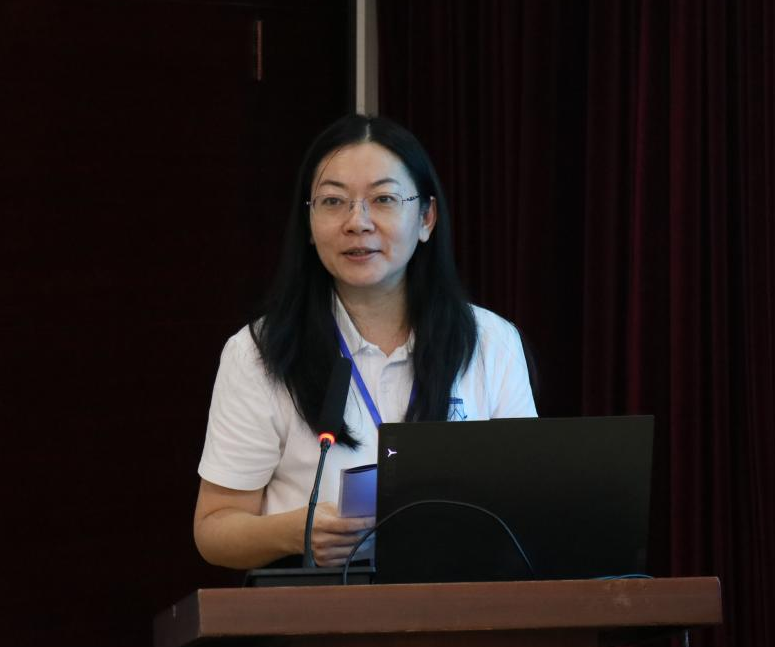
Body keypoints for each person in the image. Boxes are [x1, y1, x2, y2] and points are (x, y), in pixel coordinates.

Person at [193, 114, 537, 569]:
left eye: (384, 199)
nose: (358, 222)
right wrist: (296, 531)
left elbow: (526, 504)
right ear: (309, 222)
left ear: (426, 218)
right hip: (318, 603)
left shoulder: (491, 342)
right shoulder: (259, 352)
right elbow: (214, 528)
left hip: (460, 598)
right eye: (333, 201)